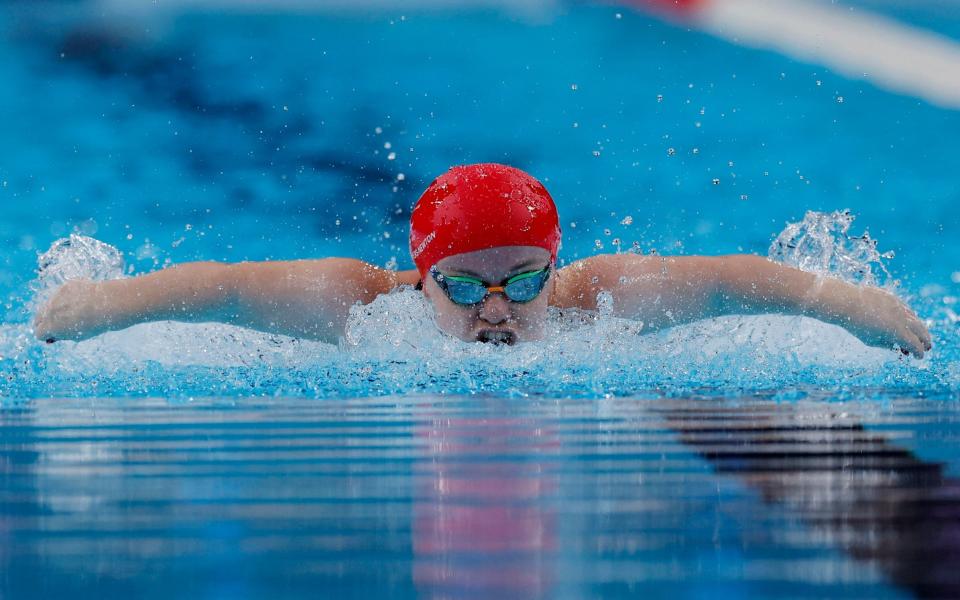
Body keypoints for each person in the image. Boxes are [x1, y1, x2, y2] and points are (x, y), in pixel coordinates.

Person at [33, 163, 932, 356]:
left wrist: (850, 301)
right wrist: (99, 306)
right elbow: (221, 293)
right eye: (464, 284)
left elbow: (737, 277)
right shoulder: (358, 306)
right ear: (419, 275)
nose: (497, 308)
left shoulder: (599, 301)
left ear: (554, 267)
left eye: (523, 279)